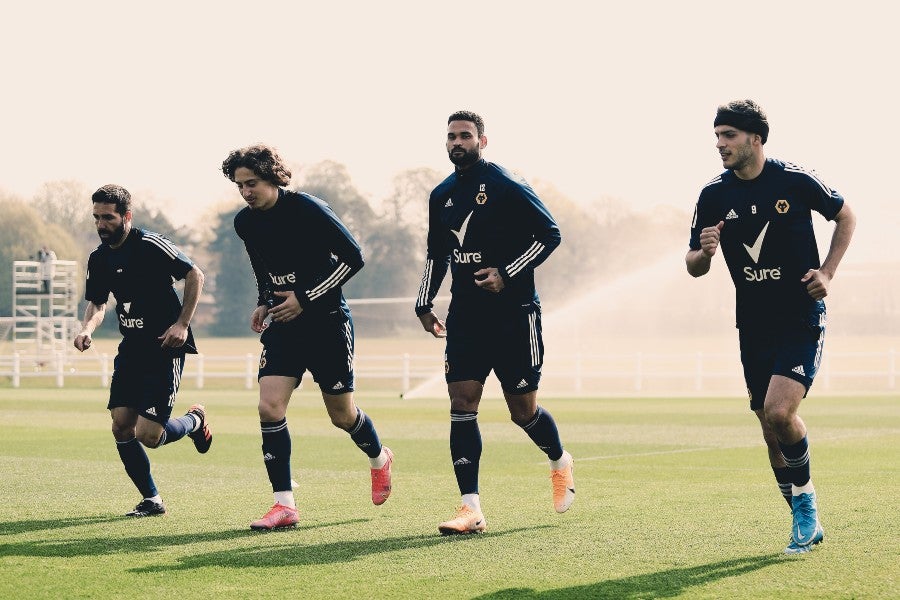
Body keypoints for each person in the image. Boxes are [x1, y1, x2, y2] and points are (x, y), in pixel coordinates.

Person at [686, 99, 856, 554]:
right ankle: (801, 514)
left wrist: (827, 273)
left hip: (800, 315)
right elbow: (694, 267)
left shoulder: (795, 180)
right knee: (767, 424)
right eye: (717, 136)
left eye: (729, 136)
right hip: (753, 323)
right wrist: (705, 252)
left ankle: (807, 508)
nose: (720, 144)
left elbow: (846, 215)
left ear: (755, 139)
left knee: (781, 411)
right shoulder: (713, 194)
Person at [415, 110, 574, 535]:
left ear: (483, 141)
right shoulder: (441, 195)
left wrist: (506, 272)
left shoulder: (506, 184)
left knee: (523, 413)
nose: (457, 143)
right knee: (461, 405)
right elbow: (437, 255)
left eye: (465, 136)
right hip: (465, 317)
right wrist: (424, 303)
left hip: (515, 316)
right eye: (450, 136)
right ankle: (471, 509)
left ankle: (560, 461)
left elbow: (550, 233)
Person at [222, 144, 393, 531]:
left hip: (328, 323)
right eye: (240, 186)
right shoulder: (244, 222)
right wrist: (265, 301)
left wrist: (306, 297)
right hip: (285, 324)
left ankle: (379, 458)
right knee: (269, 407)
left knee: (341, 415)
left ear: (273, 177)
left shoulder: (308, 209)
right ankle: (284, 505)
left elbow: (354, 257)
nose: (246, 192)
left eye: (252, 183)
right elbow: (262, 268)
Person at [73, 184, 211, 517]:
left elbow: (195, 274)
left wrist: (182, 324)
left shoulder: (150, 245)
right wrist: (86, 329)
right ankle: (152, 499)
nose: (101, 224)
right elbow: (97, 302)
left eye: (108, 217)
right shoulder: (99, 258)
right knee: (121, 426)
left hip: (164, 346)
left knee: (149, 435)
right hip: (132, 348)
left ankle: (195, 421)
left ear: (127, 216)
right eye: (97, 218)